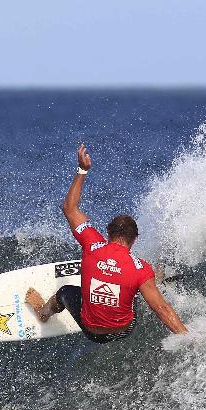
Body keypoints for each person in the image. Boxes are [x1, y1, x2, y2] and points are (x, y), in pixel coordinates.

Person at [26, 144, 187, 343]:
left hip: (90, 331)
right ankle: (159, 282)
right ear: (134, 239)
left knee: (64, 292)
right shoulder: (141, 268)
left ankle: (43, 313)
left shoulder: (92, 244)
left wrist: (82, 169)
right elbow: (162, 309)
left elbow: (69, 208)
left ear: (107, 232)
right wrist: (186, 337)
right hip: (124, 330)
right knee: (141, 285)